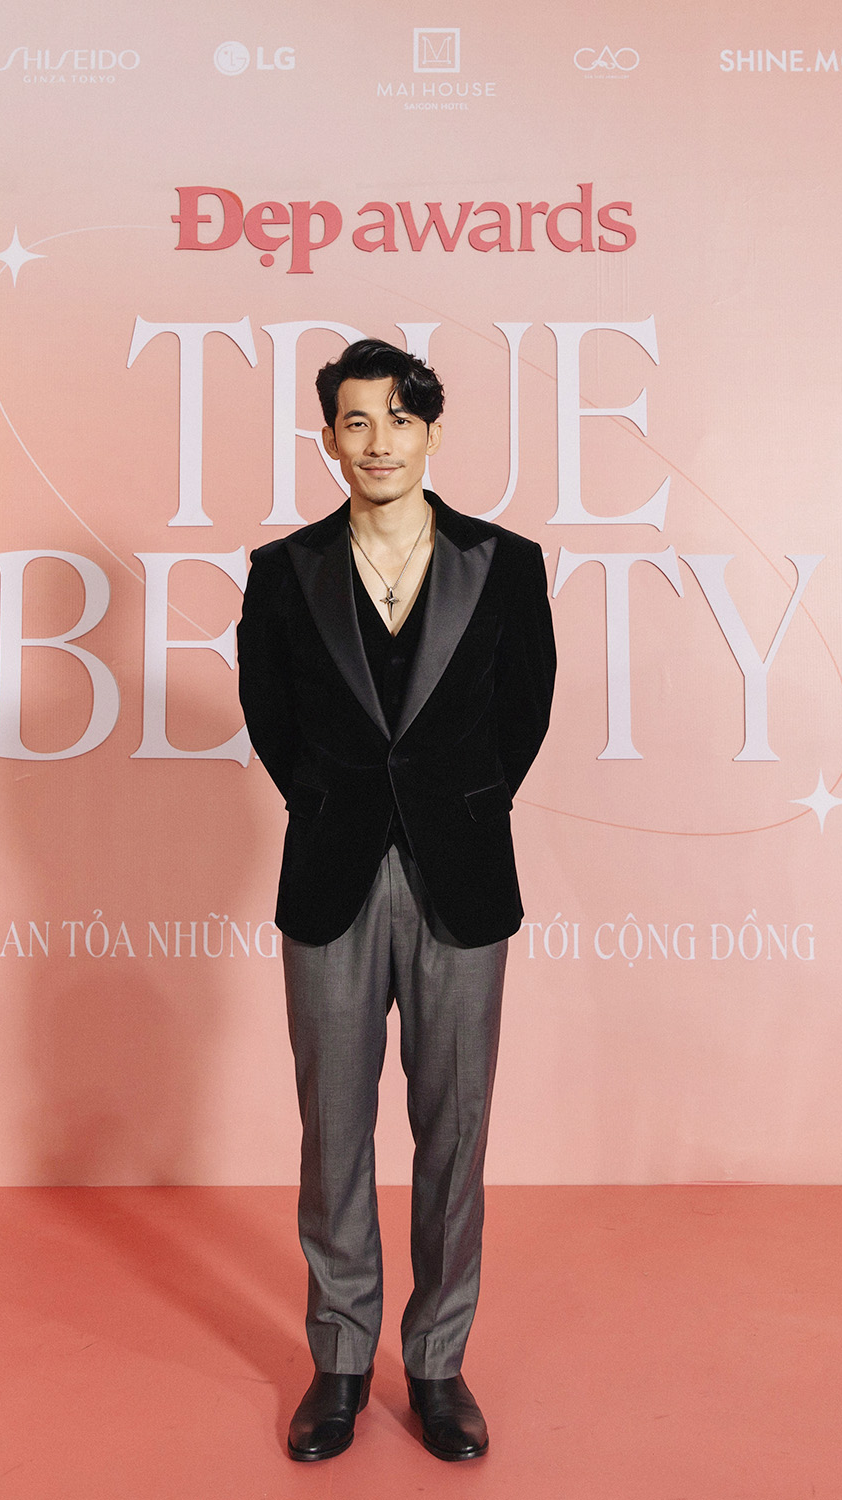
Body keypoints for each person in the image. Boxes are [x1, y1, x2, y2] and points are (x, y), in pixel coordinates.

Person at [238, 338, 555, 1462]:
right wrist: (334, 804)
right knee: (333, 1130)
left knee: (454, 1132)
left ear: (431, 433)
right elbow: (271, 716)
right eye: (356, 421)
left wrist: (457, 806)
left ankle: (436, 1365)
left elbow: (524, 711)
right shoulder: (284, 571)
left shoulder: (504, 563)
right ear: (329, 437)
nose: (378, 442)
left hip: (460, 876)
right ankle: (337, 1362)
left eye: (399, 421)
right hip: (330, 874)